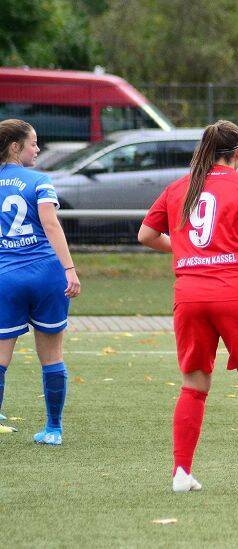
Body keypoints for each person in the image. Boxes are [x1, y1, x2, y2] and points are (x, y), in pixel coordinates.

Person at [138, 120, 238, 492]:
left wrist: (183, 249)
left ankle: (181, 473)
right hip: (235, 292)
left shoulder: (179, 187)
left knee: (194, 385)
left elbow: (146, 234)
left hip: (189, 295)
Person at [0, 119, 81, 444]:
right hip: (47, 275)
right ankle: (53, 429)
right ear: (15, 146)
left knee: (1, 357)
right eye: (33, 143)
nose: (37, 149)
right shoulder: (39, 181)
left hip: (6, 277)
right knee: (52, 355)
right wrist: (69, 268)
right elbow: (50, 224)